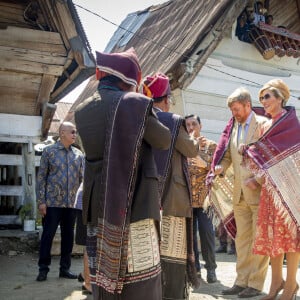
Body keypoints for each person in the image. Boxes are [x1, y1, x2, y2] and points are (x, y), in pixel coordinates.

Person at [75, 48, 171, 300]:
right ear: (130, 79)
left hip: (100, 202)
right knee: (140, 271)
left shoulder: (82, 110)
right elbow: (163, 139)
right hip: (135, 198)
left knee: (104, 272)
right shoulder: (134, 104)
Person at [143, 73, 200, 299]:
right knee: (173, 252)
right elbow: (191, 150)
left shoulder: (142, 117)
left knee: (151, 251)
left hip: (146, 197)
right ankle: (173, 294)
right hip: (172, 198)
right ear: (166, 99)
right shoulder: (173, 121)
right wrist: (194, 136)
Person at [242, 79, 300, 300]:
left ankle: (291, 285)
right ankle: (276, 283)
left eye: (267, 96)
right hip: (269, 191)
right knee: (273, 236)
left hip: (289, 189)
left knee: (290, 238)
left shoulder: (293, 124)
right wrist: (249, 153)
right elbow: (263, 159)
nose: (263, 101)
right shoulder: (264, 126)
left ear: (280, 97)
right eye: (261, 98)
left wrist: (260, 176)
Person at [212, 87, 269, 298]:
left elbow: (271, 159)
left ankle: (255, 283)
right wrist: (221, 166)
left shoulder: (264, 125)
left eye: (237, 109)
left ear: (247, 105)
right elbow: (228, 155)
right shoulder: (234, 127)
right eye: (232, 110)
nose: (234, 113)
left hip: (259, 193)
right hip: (240, 195)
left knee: (258, 240)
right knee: (242, 241)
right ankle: (241, 281)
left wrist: (259, 179)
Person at [36, 121, 84, 281]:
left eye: (75, 132)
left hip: (71, 204)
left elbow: (83, 179)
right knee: (47, 236)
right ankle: (43, 269)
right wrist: (41, 201)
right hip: (52, 203)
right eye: (72, 132)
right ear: (62, 132)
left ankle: (65, 269)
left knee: (68, 237)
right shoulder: (49, 152)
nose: (74, 135)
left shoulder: (78, 154)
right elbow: (41, 178)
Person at [184, 114, 218, 283]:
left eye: (194, 124)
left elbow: (217, 168)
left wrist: (202, 161)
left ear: (200, 125)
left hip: (205, 200)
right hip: (186, 201)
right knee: (189, 239)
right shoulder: (183, 147)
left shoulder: (211, 146)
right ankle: (194, 270)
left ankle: (211, 269)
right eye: (188, 125)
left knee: (207, 235)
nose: (191, 127)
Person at [74, 182, 92, 295]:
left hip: (91, 200)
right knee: (90, 244)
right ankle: (88, 284)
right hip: (86, 204)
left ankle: (85, 274)